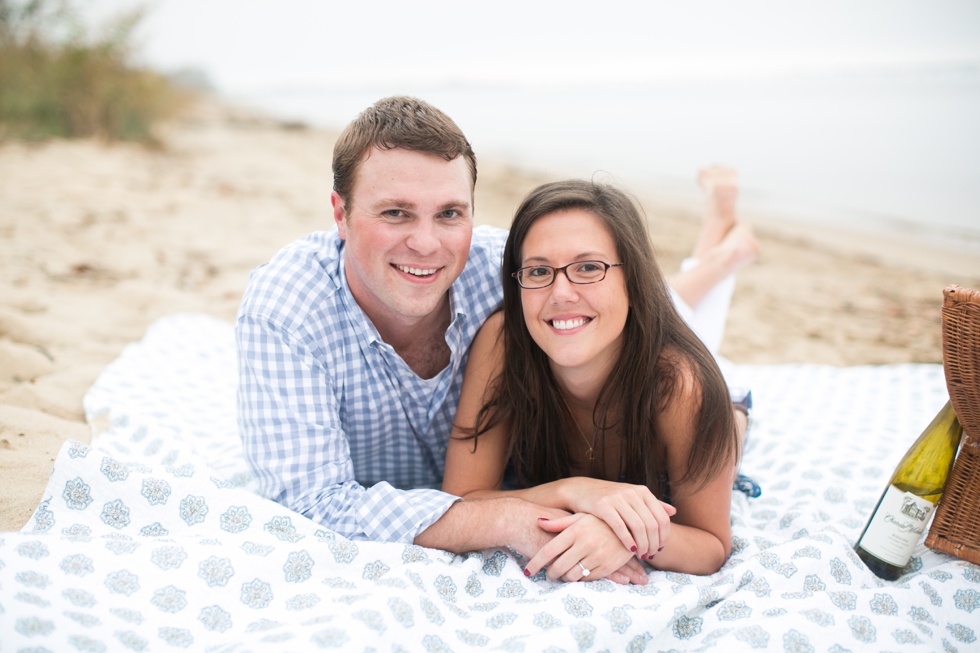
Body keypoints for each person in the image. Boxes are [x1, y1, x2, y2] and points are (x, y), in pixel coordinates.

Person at [237, 95, 754, 585]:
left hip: (679, 387)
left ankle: (719, 252)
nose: (425, 243)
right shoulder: (287, 311)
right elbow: (310, 505)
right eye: (395, 212)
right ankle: (719, 250)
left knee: (662, 322)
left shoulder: (502, 269)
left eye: (449, 213)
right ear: (340, 213)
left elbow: (622, 296)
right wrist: (549, 503)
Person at [442, 178, 750, 582]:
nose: (561, 292)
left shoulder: (682, 386)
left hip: (711, 394)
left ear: (633, 279)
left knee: (723, 407)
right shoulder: (504, 343)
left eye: (589, 267)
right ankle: (721, 244)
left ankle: (726, 252)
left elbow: (711, 545)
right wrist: (571, 491)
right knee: (627, 310)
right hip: (619, 333)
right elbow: (460, 501)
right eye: (538, 271)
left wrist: (627, 536)